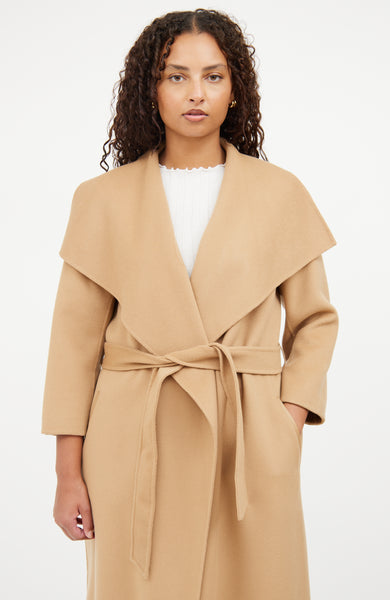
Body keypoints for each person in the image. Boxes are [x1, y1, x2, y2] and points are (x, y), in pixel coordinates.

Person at [41, 8, 339, 600]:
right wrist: (67, 473)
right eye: (175, 76)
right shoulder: (101, 200)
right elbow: (73, 347)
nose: (195, 93)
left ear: (236, 88)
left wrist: (285, 420)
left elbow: (315, 321)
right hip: (133, 438)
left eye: (213, 76)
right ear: (149, 90)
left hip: (245, 441)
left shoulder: (280, 194)